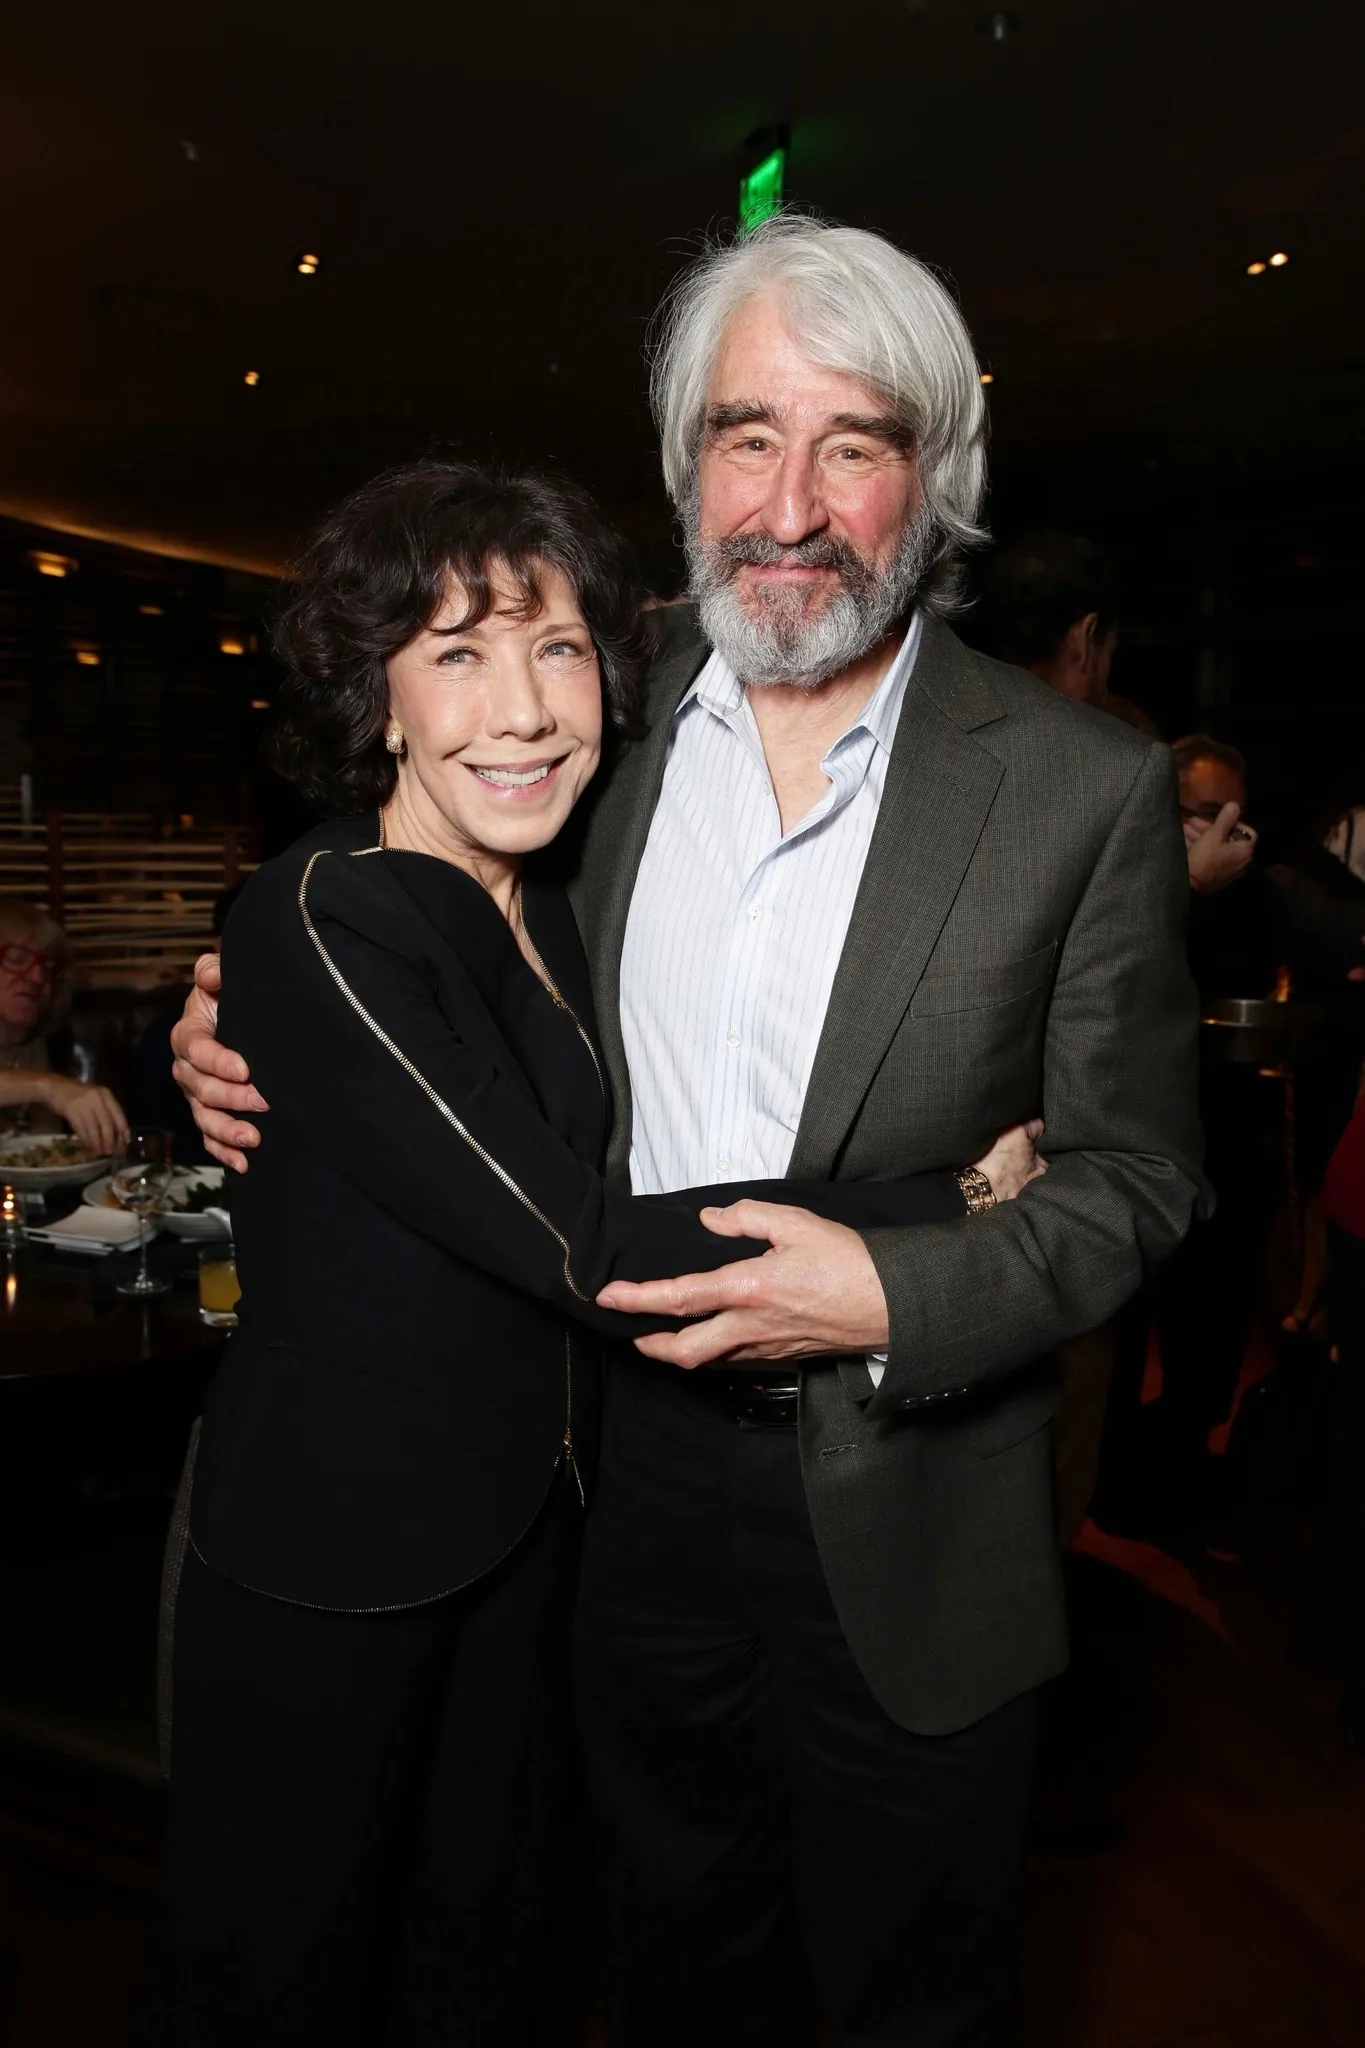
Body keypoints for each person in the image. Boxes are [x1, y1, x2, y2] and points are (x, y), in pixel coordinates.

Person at [173, 217, 1206, 2047]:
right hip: (609, 1482)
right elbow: (416, 912)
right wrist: (234, 1015)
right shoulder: (595, 698)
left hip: (913, 1507)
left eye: (853, 444)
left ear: (931, 482)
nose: (790, 503)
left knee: (916, 1992)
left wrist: (902, 1290)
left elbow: (1138, 1178)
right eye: (747, 435)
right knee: (653, 1961)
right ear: (684, 466)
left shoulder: (1083, 786)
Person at [969, 528, 1158, 734]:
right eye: (1109, 654)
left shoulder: (949, 731)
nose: (1106, 690)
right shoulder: (1115, 753)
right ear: (1083, 640)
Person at [0, 896, 127, 1155]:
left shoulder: (30, 1044)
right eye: (16, 958)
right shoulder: (44, 1080)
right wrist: (45, 1086)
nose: (37, 977)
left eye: (47, 968)